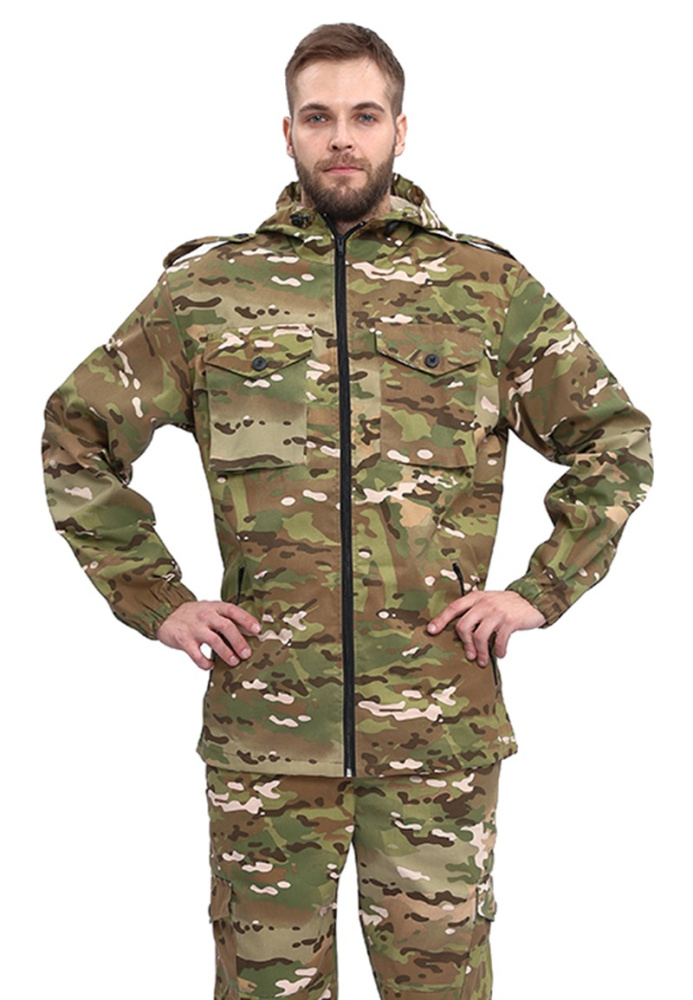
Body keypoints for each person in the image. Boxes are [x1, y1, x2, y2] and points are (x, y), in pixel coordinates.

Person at [42, 22, 653, 1000]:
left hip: (437, 731)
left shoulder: (486, 290)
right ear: (285, 131)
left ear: (400, 130)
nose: (340, 138)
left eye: (364, 116)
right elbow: (77, 433)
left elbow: (613, 437)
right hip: (265, 735)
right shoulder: (208, 291)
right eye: (317, 116)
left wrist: (542, 590)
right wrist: (156, 598)